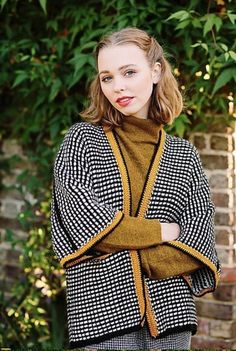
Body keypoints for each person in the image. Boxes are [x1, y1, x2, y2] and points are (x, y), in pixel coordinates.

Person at [51, 27, 221, 350]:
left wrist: (120, 255)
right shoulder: (81, 142)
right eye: (107, 77)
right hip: (101, 320)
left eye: (129, 72)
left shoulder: (185, 156)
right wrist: (164, 231)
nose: (118, 87)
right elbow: (84, 224)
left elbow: (199, 242)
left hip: (171, 323)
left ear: (156, 71)